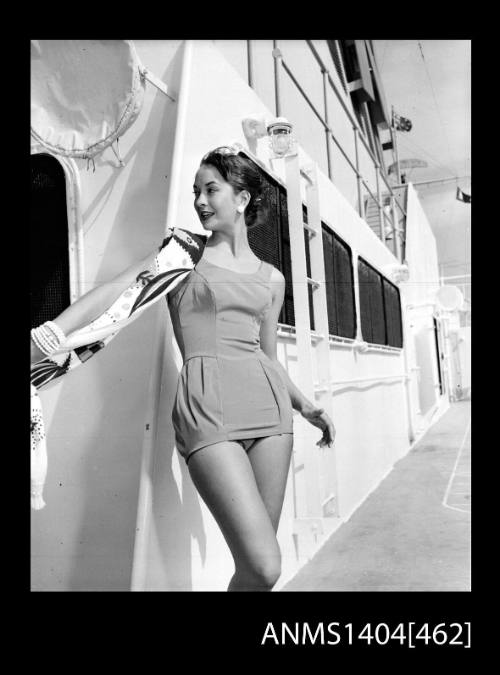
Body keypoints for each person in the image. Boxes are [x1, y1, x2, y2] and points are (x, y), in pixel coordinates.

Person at [30, 146, 336, 592]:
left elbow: (268, 355)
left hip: (271, 414)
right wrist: (48, 336)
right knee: (266, 564)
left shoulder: (272, 278)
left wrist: (306, 407)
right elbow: (119, 289)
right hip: (206, 409)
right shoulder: (183, 253)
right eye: (196, 191)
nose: (200, 201)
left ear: (243, 197)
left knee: (257, 573)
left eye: (211, 189)